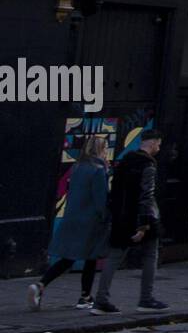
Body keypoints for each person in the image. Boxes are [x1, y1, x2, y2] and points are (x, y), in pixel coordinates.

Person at [29, 134, 110, 311]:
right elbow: (100, 200)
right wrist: (106, 217)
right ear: (101, 150)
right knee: (91, 258)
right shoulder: (98, 170)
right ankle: (85, 296)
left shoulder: (77, 167)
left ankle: (41, 285)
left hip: (72, 217)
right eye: (105, 149)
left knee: (68, 258)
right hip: (90, 221)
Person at [93, 129, 166, 314]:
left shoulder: (124, 161)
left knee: (114, 257)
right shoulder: (148, 164)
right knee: (150, 255)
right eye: (158, 144)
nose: (159, 148)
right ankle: (146, 299)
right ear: (152, 142)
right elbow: (146, 195)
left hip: (121, 217)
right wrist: (144, 224)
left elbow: (115, 191)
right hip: (141, 217)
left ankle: (101, 300)